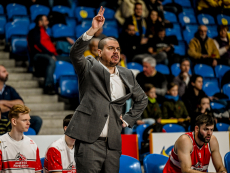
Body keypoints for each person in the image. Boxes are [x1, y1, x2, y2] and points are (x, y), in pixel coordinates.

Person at [65, 7, 148, 173]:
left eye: (117, 49)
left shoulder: (126, 73)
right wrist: (93, 29)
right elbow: (75, 53)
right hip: (89, 142)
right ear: (99, 51)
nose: (115, 52)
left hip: (113, 143)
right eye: (111, 48)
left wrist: (127, 119)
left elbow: (142, 99)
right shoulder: (89, 66)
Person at [0, 65, 42, 134]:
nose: (7, 73)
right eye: (4, 71)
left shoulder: (9, 89)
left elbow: (21, 104)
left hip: (14, 118)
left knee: (37, 120)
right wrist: (12, 106)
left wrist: (2, 102)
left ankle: (26, 142)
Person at [163, 114, 227, 173]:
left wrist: (223, 171)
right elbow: (186, 171)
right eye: (206, 129)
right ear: (196, 129)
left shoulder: (212, 141)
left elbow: (220, 167)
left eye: (211, 130)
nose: (209, 133)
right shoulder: (185, 140)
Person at [0, 105, 43, 172]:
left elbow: (38, 171)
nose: (28, 123)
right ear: (14, 121)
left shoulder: (33, 144)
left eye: (29, 120)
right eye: (24, 120)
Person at [28, 15, 61, 94]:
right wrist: (50, 54)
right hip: (37, 55)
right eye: (46, 20)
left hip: (49, 54)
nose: (48, 22)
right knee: (51, 60)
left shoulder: (45, 32)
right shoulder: (34, 31)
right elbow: (37, 45)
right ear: (40, 22)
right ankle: (48, 86)